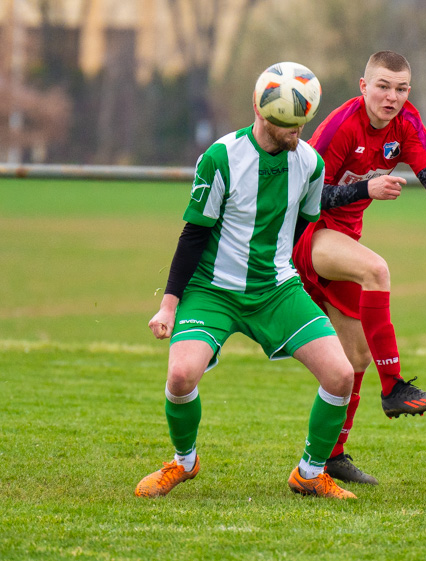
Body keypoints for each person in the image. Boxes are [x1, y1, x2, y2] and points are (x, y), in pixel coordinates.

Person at [135, 63, 357, 500]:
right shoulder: (220, 158)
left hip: (275, 291)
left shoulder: (310, 164)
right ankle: (184, 461)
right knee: (181, 375)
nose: (296, 133)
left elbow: (299, 228)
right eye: (287, 125)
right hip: (212, 291)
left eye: (301, 125)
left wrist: (291, 279)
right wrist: (169, 304)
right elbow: (193, 234)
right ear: (260, 112)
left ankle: (310, 474)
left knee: (341, 375)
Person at [292, 50, 426, 485]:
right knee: (377, 271)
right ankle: (393, 388)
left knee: (354, 358)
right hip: (307, 234)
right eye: (383, 86)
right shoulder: (341, 126)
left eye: (401, 88)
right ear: (364, 86)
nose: (392, 96)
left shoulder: (406, 122)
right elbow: (308, 197)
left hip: (342, 240)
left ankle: (330, 457)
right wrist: (367, 187)